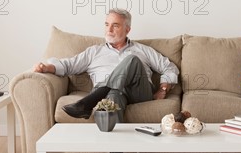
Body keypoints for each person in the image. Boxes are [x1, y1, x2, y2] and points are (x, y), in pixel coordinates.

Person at [34, 8, 179, 121]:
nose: (109, 30)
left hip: (138, 93)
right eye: (106, 24)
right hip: (111, 95)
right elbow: (69, 65)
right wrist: (48, 67)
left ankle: (90, 101)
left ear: (127, 29)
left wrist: (163, 88)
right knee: (113, 98)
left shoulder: (142, 50)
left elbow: (170, 67)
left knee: (132, 60)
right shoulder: (94, 52)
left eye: (115, 25)